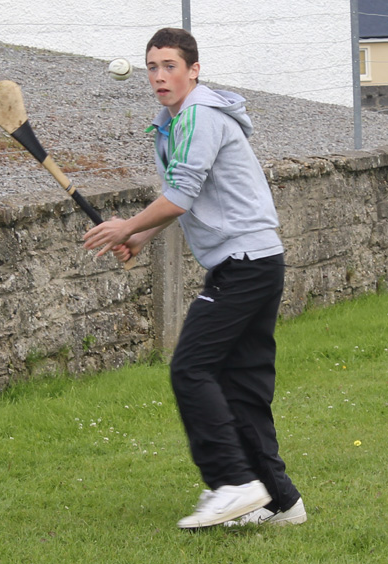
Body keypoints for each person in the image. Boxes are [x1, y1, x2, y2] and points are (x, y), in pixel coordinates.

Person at [83, 27, 306, 529]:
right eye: (152, 67)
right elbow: (185, 197)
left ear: (194, 70)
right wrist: (141, 237)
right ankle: (281, 503)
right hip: (254, 261)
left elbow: (181, 194)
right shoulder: (175, 120)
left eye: (170, 66)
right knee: (241, 384)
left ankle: (232, 483)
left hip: (245, 263)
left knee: (190, 368)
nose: (160, 76)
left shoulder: (200, 116)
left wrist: (128, 224)